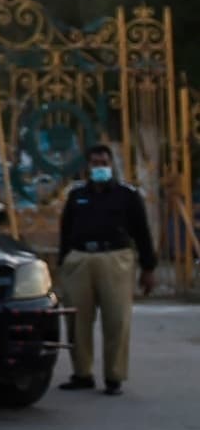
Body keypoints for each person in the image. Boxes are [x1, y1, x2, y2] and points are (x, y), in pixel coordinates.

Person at [57, 144, 158, 396]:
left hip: (115, 258)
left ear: (111, 165)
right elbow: (65, 231)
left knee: (116, 319)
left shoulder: (127, 195)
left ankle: (114, 377)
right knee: (77, 320)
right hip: (80, 259)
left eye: (104, 163)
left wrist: (149, 268)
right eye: (94, 163)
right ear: (87, 167)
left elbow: (142, 233)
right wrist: (63, 263)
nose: (99, 167)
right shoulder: (76, 195)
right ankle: (82, 373)